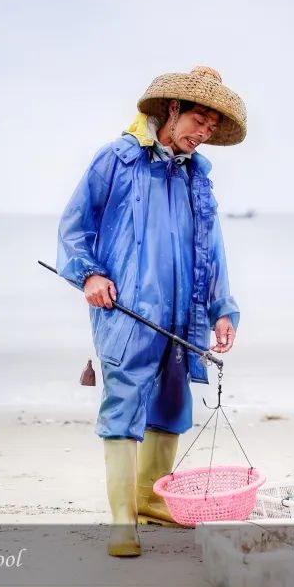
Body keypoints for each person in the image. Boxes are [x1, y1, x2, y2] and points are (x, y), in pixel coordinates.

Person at [57, 66, 246, 557]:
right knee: (123, 401)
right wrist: (89, 275)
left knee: (170, 401)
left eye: (211, 129)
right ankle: (123, 522)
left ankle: (149, 499)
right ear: (171, 110)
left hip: (184, 312)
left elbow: (213, 248)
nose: (202, 135)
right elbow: (75, 226)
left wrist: (222, 309)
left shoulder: (197, 178)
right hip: (126, 308)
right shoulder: (117, 159)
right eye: (198, 122)